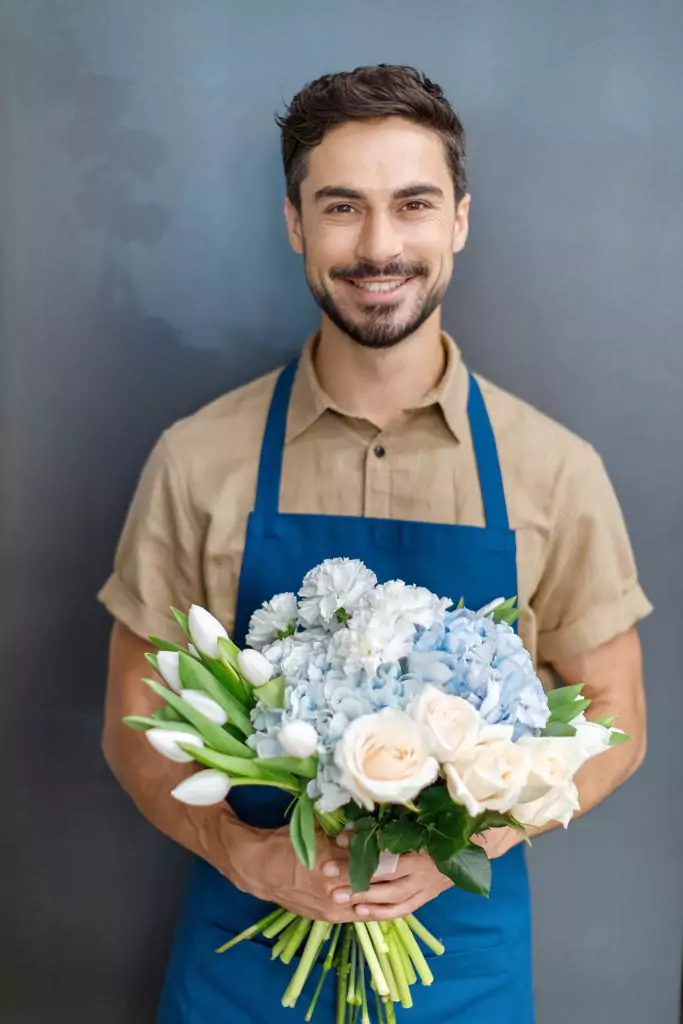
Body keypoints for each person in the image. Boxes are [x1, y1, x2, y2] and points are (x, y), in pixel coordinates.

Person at [99, 64, 651, 1023]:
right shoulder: (197, 460)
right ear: (295, 224)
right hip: (243, 964)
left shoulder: (554, 470)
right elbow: (133, 716)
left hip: (461, 971)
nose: (379, 244)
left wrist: (468, 847)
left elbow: (616, 717)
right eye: (342, 206)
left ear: (460, 221)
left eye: (413, 204)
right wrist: (246, 853)